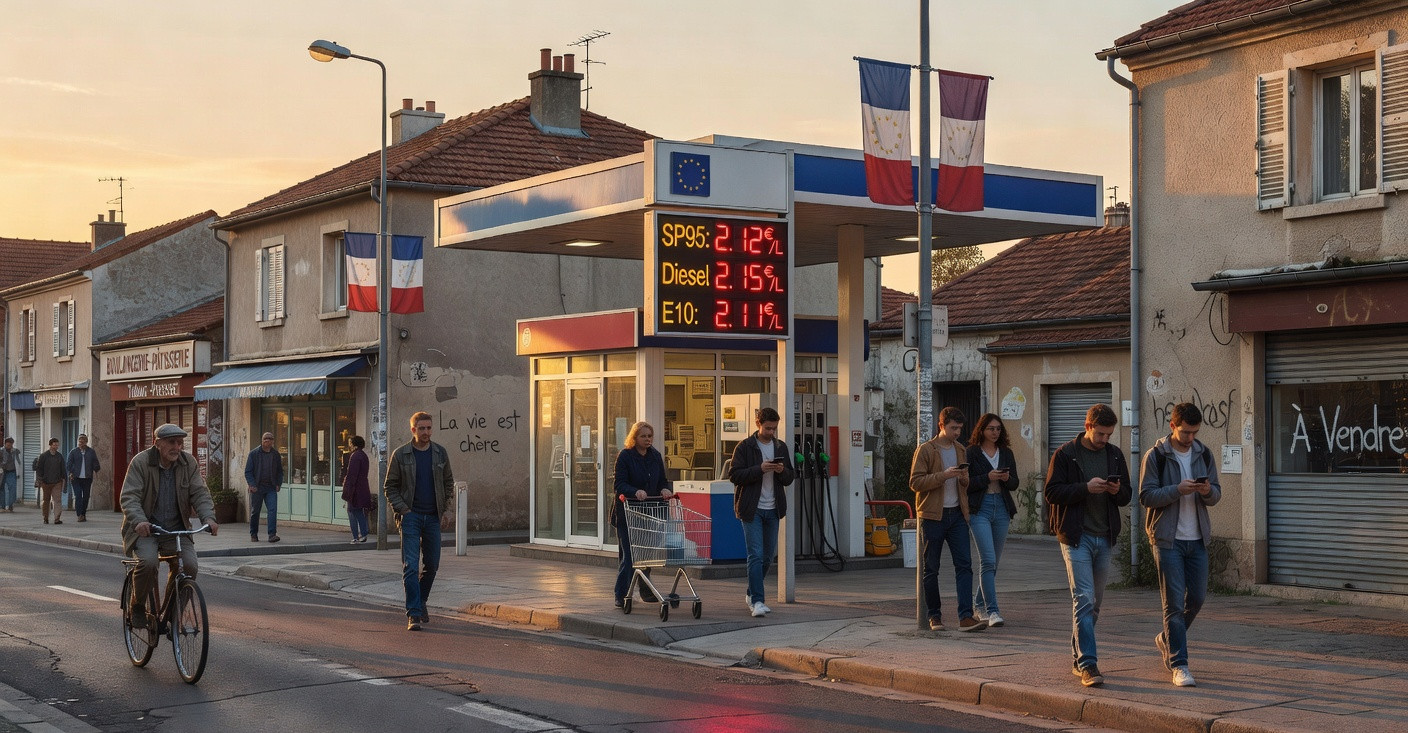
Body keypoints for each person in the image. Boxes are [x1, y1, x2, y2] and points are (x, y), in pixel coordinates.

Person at [1044, 403, 1132, 687]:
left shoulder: (1115, 455)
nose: (1105, 440)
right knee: (1083, 599)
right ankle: (1088, 664)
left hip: (1104, 536)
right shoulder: (1066, 454)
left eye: (1109, 435)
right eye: (1101, 435)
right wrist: (1085, 488)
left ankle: (1078, 653)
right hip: (1075, 537)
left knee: (1094, 605)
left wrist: (1117, 491)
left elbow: (1127, 495)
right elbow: (1051, 492)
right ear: (1088, 426)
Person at [1139, 402, 1221, 688]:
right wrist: (1178, 490)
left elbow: (1216, 495)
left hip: (1197, 538)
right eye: (1186, 432)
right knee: (1173, 604)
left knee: (1197, 598)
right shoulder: (1156, 456)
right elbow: (1146, 497)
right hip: (1167, 539)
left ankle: (1167, 638)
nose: (1190, 438)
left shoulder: (1204, 453)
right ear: (1173, 426)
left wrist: (1208, 491)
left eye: (1195, 432)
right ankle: (1179, 664)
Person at [119, 423, 219, 630]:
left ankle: (175, 610)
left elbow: (199, 492)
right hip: (146, 530)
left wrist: (208, 518)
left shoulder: (187, 463)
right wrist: (139, 521)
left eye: (180, 442)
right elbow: (129, 497)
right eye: (171, 442)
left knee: (189, 565)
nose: (177, 447)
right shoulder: (141, 462)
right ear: (158, 444)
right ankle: (137, 605)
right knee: (148, 562)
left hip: (175, 529)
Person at [911, 406, 987, 632]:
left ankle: (965, 616)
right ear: (941, 425)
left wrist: (963, 478)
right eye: (953, 428)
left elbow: (966, 484)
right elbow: (915, 483)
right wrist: (943, 476)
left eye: (960, 429)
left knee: (964, 565)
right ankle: (934, 616)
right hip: (933, 515)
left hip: (957, 515)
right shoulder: (926, 450)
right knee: (931, 568)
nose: (957, 432)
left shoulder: (961, 449)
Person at [384, 411, 455, 631]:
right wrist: (403, 510)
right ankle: (413, 613)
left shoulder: (439, 453)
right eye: (421, 428)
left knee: (432, 564)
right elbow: (390, 487)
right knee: (411, 566)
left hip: (433, 516)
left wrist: (446, 510)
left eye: (429, 428)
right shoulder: (401, 454)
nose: (426, 432)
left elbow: (448, 483)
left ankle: (421, 600)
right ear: (413, 430)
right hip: (411, 517)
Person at [729, 406, 795, 618]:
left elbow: (790, 477)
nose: (771, 432)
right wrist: (760, 469)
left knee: (767, 557)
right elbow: (734, 475)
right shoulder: (745, 447)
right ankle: (757, 601)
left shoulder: (780, 447)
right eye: (767, 428)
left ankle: (751, 593)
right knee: (755, 555)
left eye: (774, 428)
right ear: (758, 424)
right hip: (752, 509)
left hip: (773, 508)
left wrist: (782, 470)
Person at [612, 421, 673, 608]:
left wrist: (664, 489)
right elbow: (619, 484)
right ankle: (621, 594)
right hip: (628, 513)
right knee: (630, 556)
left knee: (646, 555)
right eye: (643, 436)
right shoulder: (625, 456)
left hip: (648, 512)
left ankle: (645, 591)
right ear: (634, 438)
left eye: (650, 436)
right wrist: (635, 491)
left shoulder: (655, 456)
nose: (647, 439)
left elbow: (663, 479)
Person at [966, 413, 1019, 628]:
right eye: (991, 429)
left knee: (993, 563)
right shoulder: (972, 453)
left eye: (998, 428)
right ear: (982, 430)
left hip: (1002, 508)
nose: (995, 432)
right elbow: (966, 483)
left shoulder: (1006, 453)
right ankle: (993, 610)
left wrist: (1007, 478)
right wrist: (987, 478)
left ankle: (978, 605)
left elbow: (1015, 483)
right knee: (987, 560)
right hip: (980, 508)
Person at [244, 431, 284, 543]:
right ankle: (253, 534)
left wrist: (278, 483)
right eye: (266, 438)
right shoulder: (254, 454)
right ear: (262, 440)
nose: (268, 440)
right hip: (257, 487)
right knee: (255, 511)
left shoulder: (275, 454)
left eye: (270, 438)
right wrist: (252, 484)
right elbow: (248, 471)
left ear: (273, 441)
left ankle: (272, 534)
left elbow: (280, 471)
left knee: (272, 510)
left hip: (271, 487)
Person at [341, 435, 373, 544]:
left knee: (351, 511)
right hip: (362, 486)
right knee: (359, 511)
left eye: (350, 443)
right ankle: (363, 533)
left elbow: (351, 474)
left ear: (354, 444)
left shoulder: (354, 456)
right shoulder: (364, 455)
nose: (349, 445)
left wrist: (347, 488)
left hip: (354, 488)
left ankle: (356, 536)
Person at [66, 433, 101, 522]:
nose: (80, 443)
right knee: (78, 496)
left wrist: (96, 469)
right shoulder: (73, 452)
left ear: (86, 442)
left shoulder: (91, 452)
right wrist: (71, 472)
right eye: (79, 441)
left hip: (87, 478)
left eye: (83, 441)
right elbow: (68, 464)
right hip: (75, 478)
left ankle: (83, 514)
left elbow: (95, 462)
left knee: (86, 496)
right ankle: (79, 515)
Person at [34, 438, 65, 525]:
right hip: (46, 482)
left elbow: (63, 469)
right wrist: (40, 479)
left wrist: (63, 479)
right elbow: (39, 468)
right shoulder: (44, 456)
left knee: (57, 500)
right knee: (46, 500)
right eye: (54, 445)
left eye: (57, 445)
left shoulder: (59, 456)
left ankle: (57, 518)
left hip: (57, 482)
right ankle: (46, 517)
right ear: (50, 445)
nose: (56, 447)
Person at [0, 437, 18, 512]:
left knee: (12, 488)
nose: (9, 446)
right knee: (1, 488)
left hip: (11, 471)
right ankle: (2, 506)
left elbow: (18, 461)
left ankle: (10, 505)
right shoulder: (1, 451)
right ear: (5, 444)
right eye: (8, 444)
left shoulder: (14, 451)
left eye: (11, 444)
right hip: (2, 471)